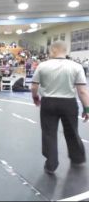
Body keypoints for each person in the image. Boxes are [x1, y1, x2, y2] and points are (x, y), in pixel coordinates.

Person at [31, 41, 89, 175]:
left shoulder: (43, 66)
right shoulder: (76, 66)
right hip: (68, 103)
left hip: (48, 103)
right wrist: (87, 109)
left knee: (49, 133)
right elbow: (82, 91)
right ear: (66, 50)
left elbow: (34, 87)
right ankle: (77, 158)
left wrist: (35, 98)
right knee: (72, 131)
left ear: (53, 50)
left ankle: (51, 164)